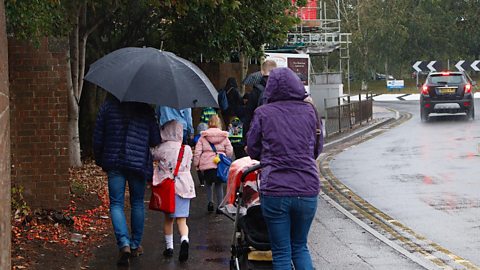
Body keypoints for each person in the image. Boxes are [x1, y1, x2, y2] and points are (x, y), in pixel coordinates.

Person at [246, 67, 323, 270]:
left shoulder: (263, 113)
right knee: (300, 246)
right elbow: (317, 148)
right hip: (307, 187)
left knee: (281, 252)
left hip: (276, 189)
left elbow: (253, 150)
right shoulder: (310, 111)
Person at [93, 95, 161, 267]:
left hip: (114, 160)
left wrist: (100, 158)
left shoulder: (108, 106)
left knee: (116, 203)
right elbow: (155, 139)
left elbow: (98, 135)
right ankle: (135, 244)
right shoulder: (146, 108)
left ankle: (123, 243)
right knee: (137, 202)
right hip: (137, 163)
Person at [151, 120, 196, 262]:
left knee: (168, 219)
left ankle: (169, 247)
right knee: (182, 220)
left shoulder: (163, 148)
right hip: (185, 187)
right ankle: (184, 239)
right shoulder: (187, 149)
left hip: (169, 188)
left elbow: (152, 154)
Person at [193, 115, 233, 214]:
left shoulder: (203, 137)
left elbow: (197, 152)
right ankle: (220, 206)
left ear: (209, 124)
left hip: (207, 165)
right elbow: (229, 150)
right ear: (219, 124)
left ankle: (210, 202)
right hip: (219, 164)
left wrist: (196, 164)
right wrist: (227, 158)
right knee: (218, 185)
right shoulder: (224, 136)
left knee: (208, 183)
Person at [243, 60, 277, 145]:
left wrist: (247, 141)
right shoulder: (281, 89)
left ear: (262, 71)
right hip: (277, 135)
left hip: (260, 135)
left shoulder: (255, 92)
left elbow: (248, 117)